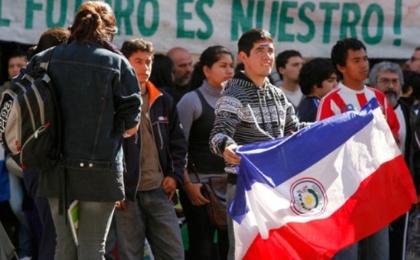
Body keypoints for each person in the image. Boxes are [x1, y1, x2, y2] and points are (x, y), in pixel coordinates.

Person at [22, 2, 141, 259]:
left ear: (75, 25)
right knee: (93, 245)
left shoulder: (45, 58)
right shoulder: (118, 63)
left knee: (63, 243)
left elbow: (21, 101)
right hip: (102, 167)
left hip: (54, 165)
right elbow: (131, 124)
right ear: (108, 31)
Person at [209, 28, 310, 260]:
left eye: (270, 51)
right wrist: (227, 147)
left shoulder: (277, 93)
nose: (267, 56)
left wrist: (333, 126)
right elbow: (218, 135)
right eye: (260, 51)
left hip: (278, 187)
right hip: (246, 188)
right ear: (243, 57)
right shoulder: (233, 93)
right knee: (245, 254)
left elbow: (293, 130)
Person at [316, 38, 400, 260]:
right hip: (345, 197)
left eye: (365, 59)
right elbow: (323, 148)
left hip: (376, 194)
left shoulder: (379, 97)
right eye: (356, 60)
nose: (364, 65)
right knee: (347, 257)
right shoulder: (330, 102)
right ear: (341, 67)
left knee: (380, 255)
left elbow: (393, 138)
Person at [109, 38, 187, 260]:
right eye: (138, 61)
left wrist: (175, 175)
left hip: (160, 190)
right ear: (125, 62)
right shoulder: (113, 99)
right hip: (126, 195)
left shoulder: (163, 99)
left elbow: (178, 143)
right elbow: (105, 147)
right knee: (130, 255)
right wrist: (113, 186)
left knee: (174, 254)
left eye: (149, 61)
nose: (145, 67)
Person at [177, 45, 234, 260]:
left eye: (231, 66)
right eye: (223, 66)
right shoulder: (191, 101)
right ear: (207, 70)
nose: (229, 71)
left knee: (231, 249)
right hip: (199, 188)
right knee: (202, 249)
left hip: (231, 186)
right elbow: (178, 148)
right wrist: (188, 185)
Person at [368, 61, 414, 260]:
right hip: (370, 193)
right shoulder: (366, 113)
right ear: (373, 85)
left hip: (400, 191)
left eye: (395, 81)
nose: (390, 86)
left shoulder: (409, 113)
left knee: (398, 248)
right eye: (384, 81)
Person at [296, 58, 338, 122]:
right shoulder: (319, 107)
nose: (336, 85)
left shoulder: (304, 105)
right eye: (330, 81)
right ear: (314, 84)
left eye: (337, 80)